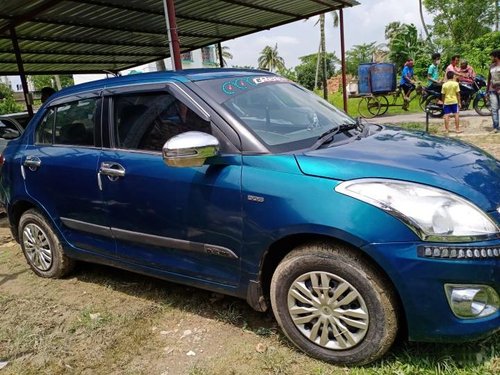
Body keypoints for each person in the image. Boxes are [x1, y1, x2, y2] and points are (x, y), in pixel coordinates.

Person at [487, 49, 500, 133]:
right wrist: (487, 90)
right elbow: (489, 78)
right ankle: (496, 127)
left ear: (496, 57)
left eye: (492, 56)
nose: (491, 58)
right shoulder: (491, 66)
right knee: (494, 109)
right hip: (492, 90)